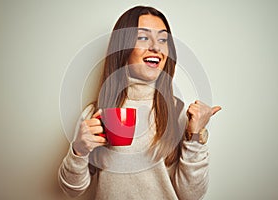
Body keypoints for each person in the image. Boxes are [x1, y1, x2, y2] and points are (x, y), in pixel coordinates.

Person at [58, 5, 221, 200]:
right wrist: (78, 151)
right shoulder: (96, 114)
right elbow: (72, 190)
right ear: (123, 47)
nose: (156, 47)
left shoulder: (179, 114)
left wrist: (195, 136)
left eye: (162, 39)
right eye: (143, 37)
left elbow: (192, 195)